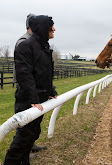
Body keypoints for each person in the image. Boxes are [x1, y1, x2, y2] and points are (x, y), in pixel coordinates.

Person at [4, 15, 57, 165]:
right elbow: (24, 75)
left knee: (34, 133)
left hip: (40, 98)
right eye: (51, 26)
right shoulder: (25, 45)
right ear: (42, 28)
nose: (54, 29)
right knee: (24, 136)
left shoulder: (45, 47)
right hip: (28, 100)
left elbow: (45, 74)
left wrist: (51, 90)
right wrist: (33, 99)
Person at [13, 13, 48, 155]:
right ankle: (23, 151)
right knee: (24, 123)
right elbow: (25, 71)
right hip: (26, 88)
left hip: (33, 87)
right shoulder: (24, 41)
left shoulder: (34, 41)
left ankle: (29, 146)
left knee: (33, 122)